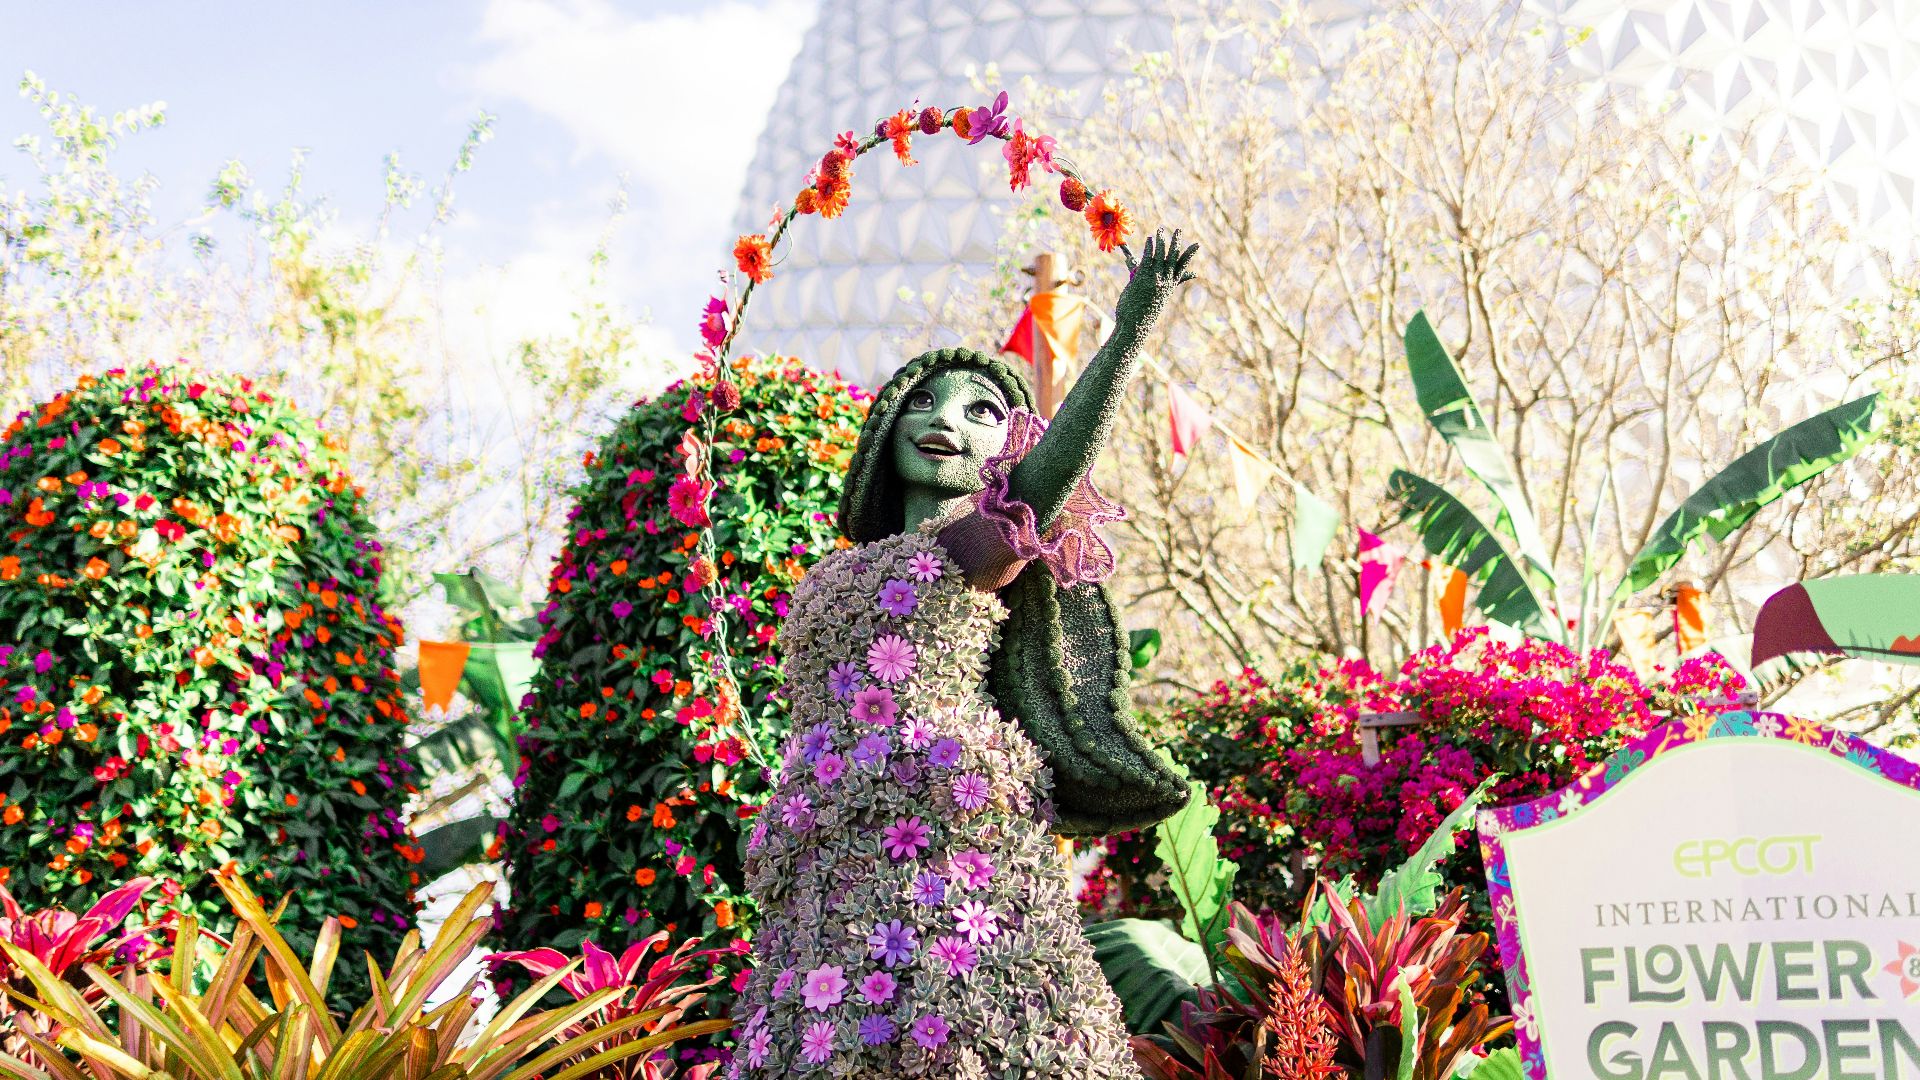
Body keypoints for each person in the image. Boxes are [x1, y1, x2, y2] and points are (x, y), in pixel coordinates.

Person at [729, 229, 1200, 1078]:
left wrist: (1128, 331)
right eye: (926, 400)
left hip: (944, 819)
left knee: (956, 1029)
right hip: (826, 831)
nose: (945, 420)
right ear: (887, 424)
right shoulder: (837, 568)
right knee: (830, 1024)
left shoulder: (968, 548)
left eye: (982, 409)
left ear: (1008, 447)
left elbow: (1051, 476)